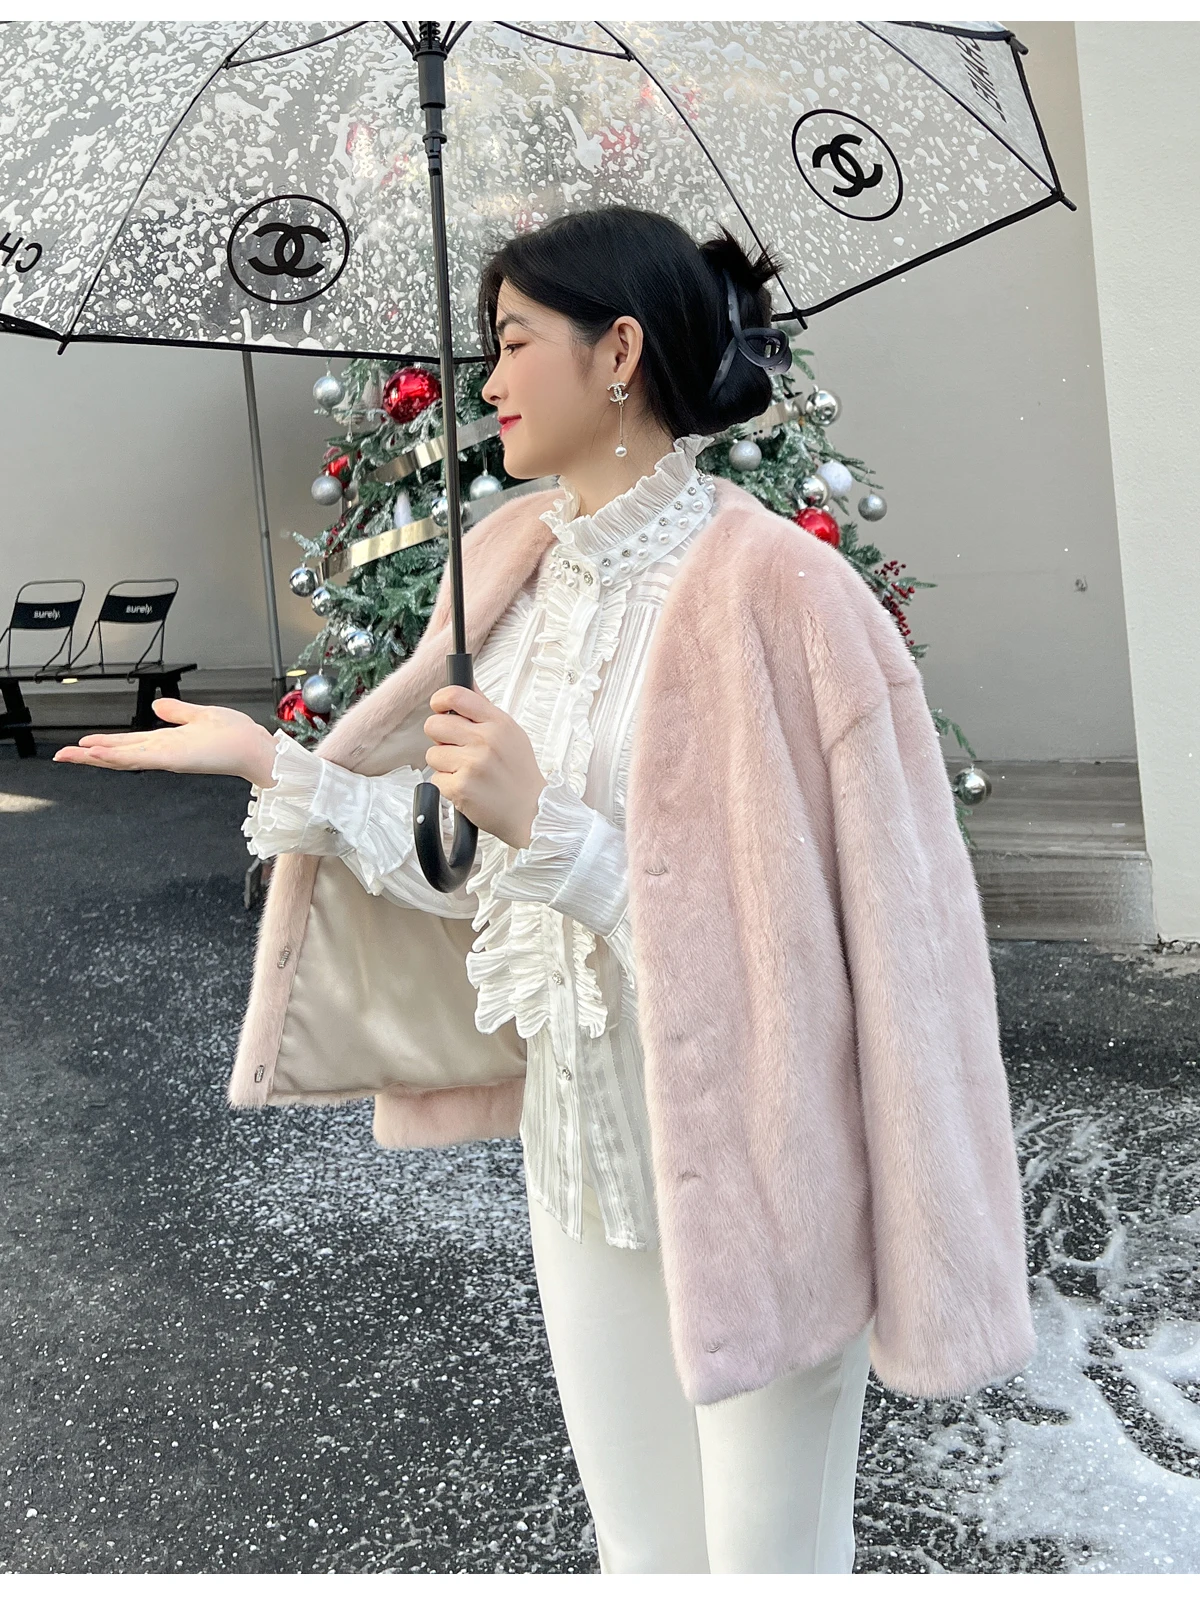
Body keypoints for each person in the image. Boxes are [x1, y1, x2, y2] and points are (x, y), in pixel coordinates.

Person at [53, 205, 1030, 1573]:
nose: (490, 380)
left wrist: (548, 825)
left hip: (770, 1172)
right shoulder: (518, 574)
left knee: (770, 1568)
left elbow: (847, 950)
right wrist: (272, 763)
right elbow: (466, 879)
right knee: (642, 1561)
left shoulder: (788, 595)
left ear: (619, 351)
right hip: (582, 1157)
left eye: (515, 342)